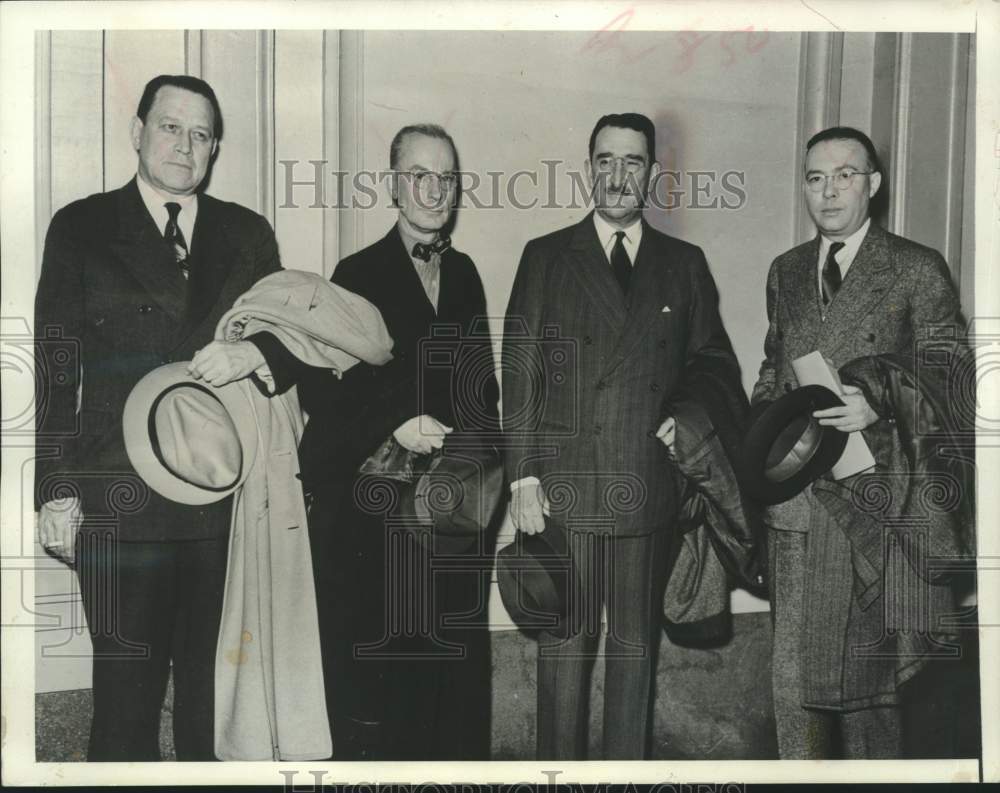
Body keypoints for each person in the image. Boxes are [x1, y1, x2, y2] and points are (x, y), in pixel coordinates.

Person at [34, 74, 282, 760]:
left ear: (216, 149)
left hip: (219, 506)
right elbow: (57, 371)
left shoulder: (248, 234)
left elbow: (290, 344)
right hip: (119, 502)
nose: (185, 144)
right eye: (171, 126)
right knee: (124, 707)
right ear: (137, 131)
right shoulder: (81, 227)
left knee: (214, 708)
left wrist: (254, 352)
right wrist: (54, 489)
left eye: (201, 133)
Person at [251, 123, 500, 760]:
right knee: (393, 691)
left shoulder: (467, 274)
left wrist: (489, 475)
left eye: (446, 177)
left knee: (458, 690)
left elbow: (482, 390)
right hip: (385, 523)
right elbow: (326, 397)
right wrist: (397, 426)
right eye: (421, 175)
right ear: (394, 184)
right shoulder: (355, 272)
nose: (435, 190)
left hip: (458, 514)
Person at [501, 112, 742, 760]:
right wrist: (522, 477)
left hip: (647, 487)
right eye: (605, 160)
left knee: (635, 660)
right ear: (589, 168)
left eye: (632, 161)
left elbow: (715, 364)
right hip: (564, 491)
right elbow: (519, 373)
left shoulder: (684, 264)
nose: (617, 175)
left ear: (651, 174)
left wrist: (687, 417)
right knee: (563, 660)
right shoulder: (547, 257)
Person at [750, 126, 965, 758]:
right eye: (815, 178)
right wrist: (766, 425)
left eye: (845, 175)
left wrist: (879, 400)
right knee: (795, 690)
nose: (828, 191)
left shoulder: (916, 267)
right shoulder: (786, 270)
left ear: (872, 184)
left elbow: (952, 377)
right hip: (794, 505)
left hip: (875, 505)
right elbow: (773, 365)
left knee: (871, 695)